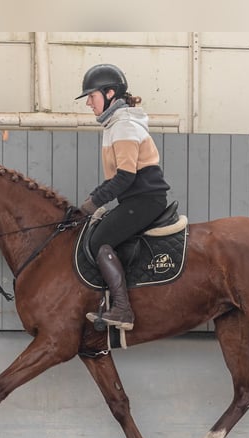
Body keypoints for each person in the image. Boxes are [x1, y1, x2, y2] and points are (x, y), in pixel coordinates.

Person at [76, 63, 170, 331]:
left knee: (100, 240)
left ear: (109, 93)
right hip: (135, 200)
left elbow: (125, 177)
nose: (88, 104)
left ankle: (122, 310)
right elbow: (118, 178)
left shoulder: (124, 125)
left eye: (91, 97)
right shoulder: (114, 125)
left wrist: (93, 202)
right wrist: (95, 200)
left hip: (145, 200)